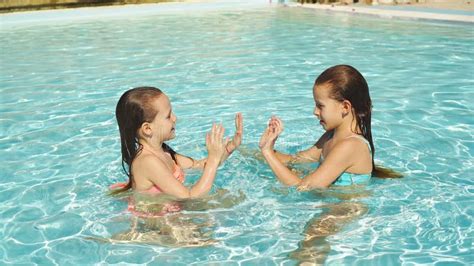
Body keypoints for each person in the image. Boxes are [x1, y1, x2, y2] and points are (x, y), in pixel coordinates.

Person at [259, 64, 401, 189]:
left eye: (320, 106)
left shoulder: (352, 146)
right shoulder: (330, 137)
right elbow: (295, 160)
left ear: (345, 107)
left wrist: (267, 153)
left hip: (344, 212)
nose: (315, 112)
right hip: (330, 204)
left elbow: (302, 187)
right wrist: (267, 147)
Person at [111, 86, 243, 208]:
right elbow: (191, 197)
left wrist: (229, 148)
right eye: (168, 116)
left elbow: (201, 166)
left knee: (232, 198)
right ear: (147, 128)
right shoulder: (147, 162)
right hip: (156, 225)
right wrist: (214, 159)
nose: (175, 118)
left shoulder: (165, 151)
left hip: (171, 213)